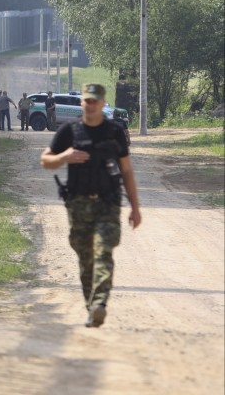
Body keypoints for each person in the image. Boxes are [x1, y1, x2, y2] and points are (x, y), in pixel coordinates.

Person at [40, 83, 141, 328]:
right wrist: (64, 157)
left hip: (108, 203)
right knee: (86, 259)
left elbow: (126, 171)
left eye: (96, 100)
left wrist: (135, 207)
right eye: (88, 100)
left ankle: (100, 303)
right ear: (82, 102)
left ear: (103, 103)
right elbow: (45, 160)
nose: (91, 104)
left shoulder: (114, 132)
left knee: (103, 251)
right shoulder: (69, 131)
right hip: (78, 205)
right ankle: (92, 307)